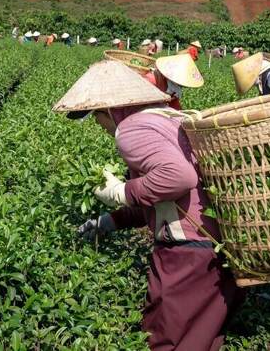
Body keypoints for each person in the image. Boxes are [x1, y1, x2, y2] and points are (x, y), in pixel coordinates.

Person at [54, 61, 240, 350]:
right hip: (218, 245)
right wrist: (109, 221)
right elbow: (159, 198)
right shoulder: (166, 117)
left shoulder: (131, 129)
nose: (99, 125)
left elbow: (179, 178)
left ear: (109, 109)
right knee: (200, 338)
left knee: (162, 338)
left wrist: (122, 191)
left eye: (96, 117)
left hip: (187, 251)